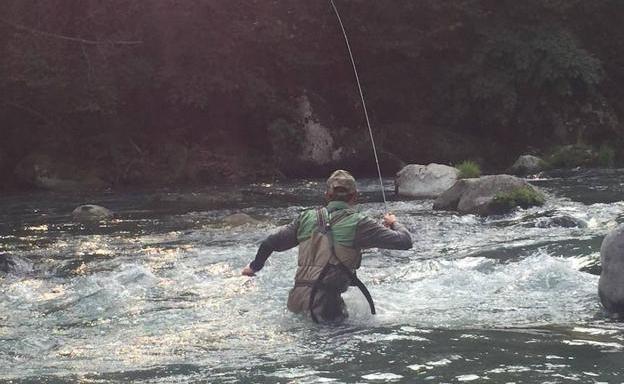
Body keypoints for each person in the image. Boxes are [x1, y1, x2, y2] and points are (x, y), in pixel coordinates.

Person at [242, 170, 412, 323]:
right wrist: (394, 222)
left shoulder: (306, 218)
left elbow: (269, 243)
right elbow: (405, 241)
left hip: (296, 299)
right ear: (354, 196)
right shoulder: (360, 222)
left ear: (327, 196)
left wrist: (253, 267)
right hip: (325, 304)